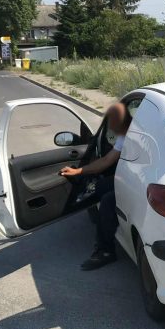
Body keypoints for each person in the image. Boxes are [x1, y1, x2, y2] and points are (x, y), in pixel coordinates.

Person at [59, 102, 131, 270]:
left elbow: (107, 161)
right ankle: (103, 224)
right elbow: (106, 160)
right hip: (130, 176)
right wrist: (78, 171)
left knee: (108, 201)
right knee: (100, 186)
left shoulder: (136, 134)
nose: (111, 127)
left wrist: (80, 171)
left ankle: (106, 251)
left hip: (143, 182)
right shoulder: (126, 134)